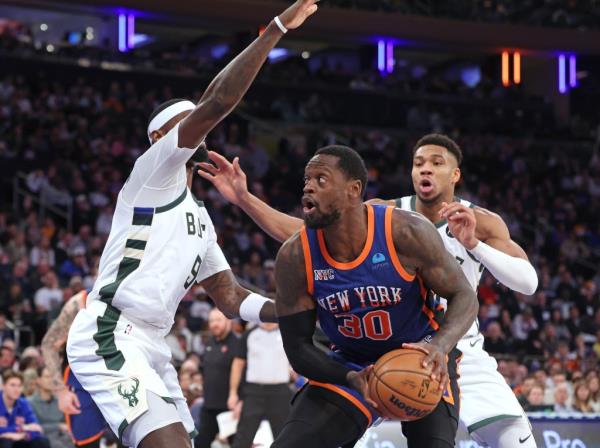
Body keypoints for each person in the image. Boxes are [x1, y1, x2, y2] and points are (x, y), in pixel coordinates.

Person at [66, 3, 320, 447]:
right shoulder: (151, 174)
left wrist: (291, 309)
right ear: (162, 140)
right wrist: (276, 28)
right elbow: (219, 101)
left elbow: (231, 298)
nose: (203, 131)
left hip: (153, 344)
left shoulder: (201, 220)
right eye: (190, 124)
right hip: (109, 330)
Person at [198, 133, 539, 447]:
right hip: (355, 358)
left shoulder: (459, 223)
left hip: (437, 347)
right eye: (419, 162)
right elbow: (301, 232)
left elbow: (523, 284)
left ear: (455, 174)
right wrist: (244, 200)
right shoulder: (380, 212)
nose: (426, 169)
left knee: (511, 438)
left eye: (437, 163)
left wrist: (475, 244)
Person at [262, 146, 477, 446]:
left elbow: (464, 296)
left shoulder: (406, 231)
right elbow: (298, 349)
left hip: (421, 354)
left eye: (321, 179)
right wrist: (350, 377)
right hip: (352, 362)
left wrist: (440, 346)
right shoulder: (295, 256)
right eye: (306, 180)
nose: (308, 186)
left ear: (354, 190)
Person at [41, 290, 112, 447]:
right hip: (83, 382)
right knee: (88, 443)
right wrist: (60, 391)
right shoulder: (80, 303)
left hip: (120, 379)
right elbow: (48, 345)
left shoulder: (135, 298)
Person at [228, 322, 292, 448]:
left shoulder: (287, 333)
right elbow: (237, 364)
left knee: (284, 438)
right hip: (254, 392)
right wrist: (233, 393)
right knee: (243, 437)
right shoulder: (249, 334)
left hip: (280, 391)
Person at [195, 309, 242, 448]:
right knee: (201, 443)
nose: (214, 324)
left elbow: (245, 376)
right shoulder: (209, 343)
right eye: (211, 321)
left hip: (231, 408)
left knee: (238, 445)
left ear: (228, 321)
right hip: (209, 406)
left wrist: (241, 402)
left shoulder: (238, 344)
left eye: (218, 320)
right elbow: (204, 369)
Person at [0, 370, 49, 448]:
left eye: (19, 386)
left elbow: (37, 429)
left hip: (21, 439)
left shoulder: (23, 403)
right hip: (4, 442)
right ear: (3, 386)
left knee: (42, 441)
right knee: (5, 442)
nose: (17, 389)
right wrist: (22, 428)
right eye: (12, 385)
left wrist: (24, 433)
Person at [27, 367, 71, 448]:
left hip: (64, 438)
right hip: (43, 440)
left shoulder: (60, 401)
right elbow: (33, 427)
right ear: (38, 380)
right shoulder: (29, 403)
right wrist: (58, 426)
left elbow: (67, 424)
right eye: (47, 377)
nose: (51, 380)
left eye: (52, 377)